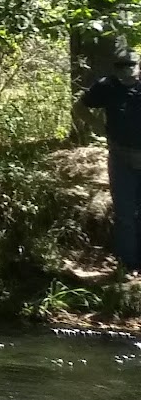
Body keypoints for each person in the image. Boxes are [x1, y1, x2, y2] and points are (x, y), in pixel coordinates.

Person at [74, 46, 141, 273]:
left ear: (138, 65)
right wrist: (101, 129)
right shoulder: (106, 86)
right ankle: (127, 265)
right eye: (121, 66)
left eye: (130, 65)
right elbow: (80, 108)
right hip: (121, 156)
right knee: (124, 212)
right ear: (115, 68)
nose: (126, 71)